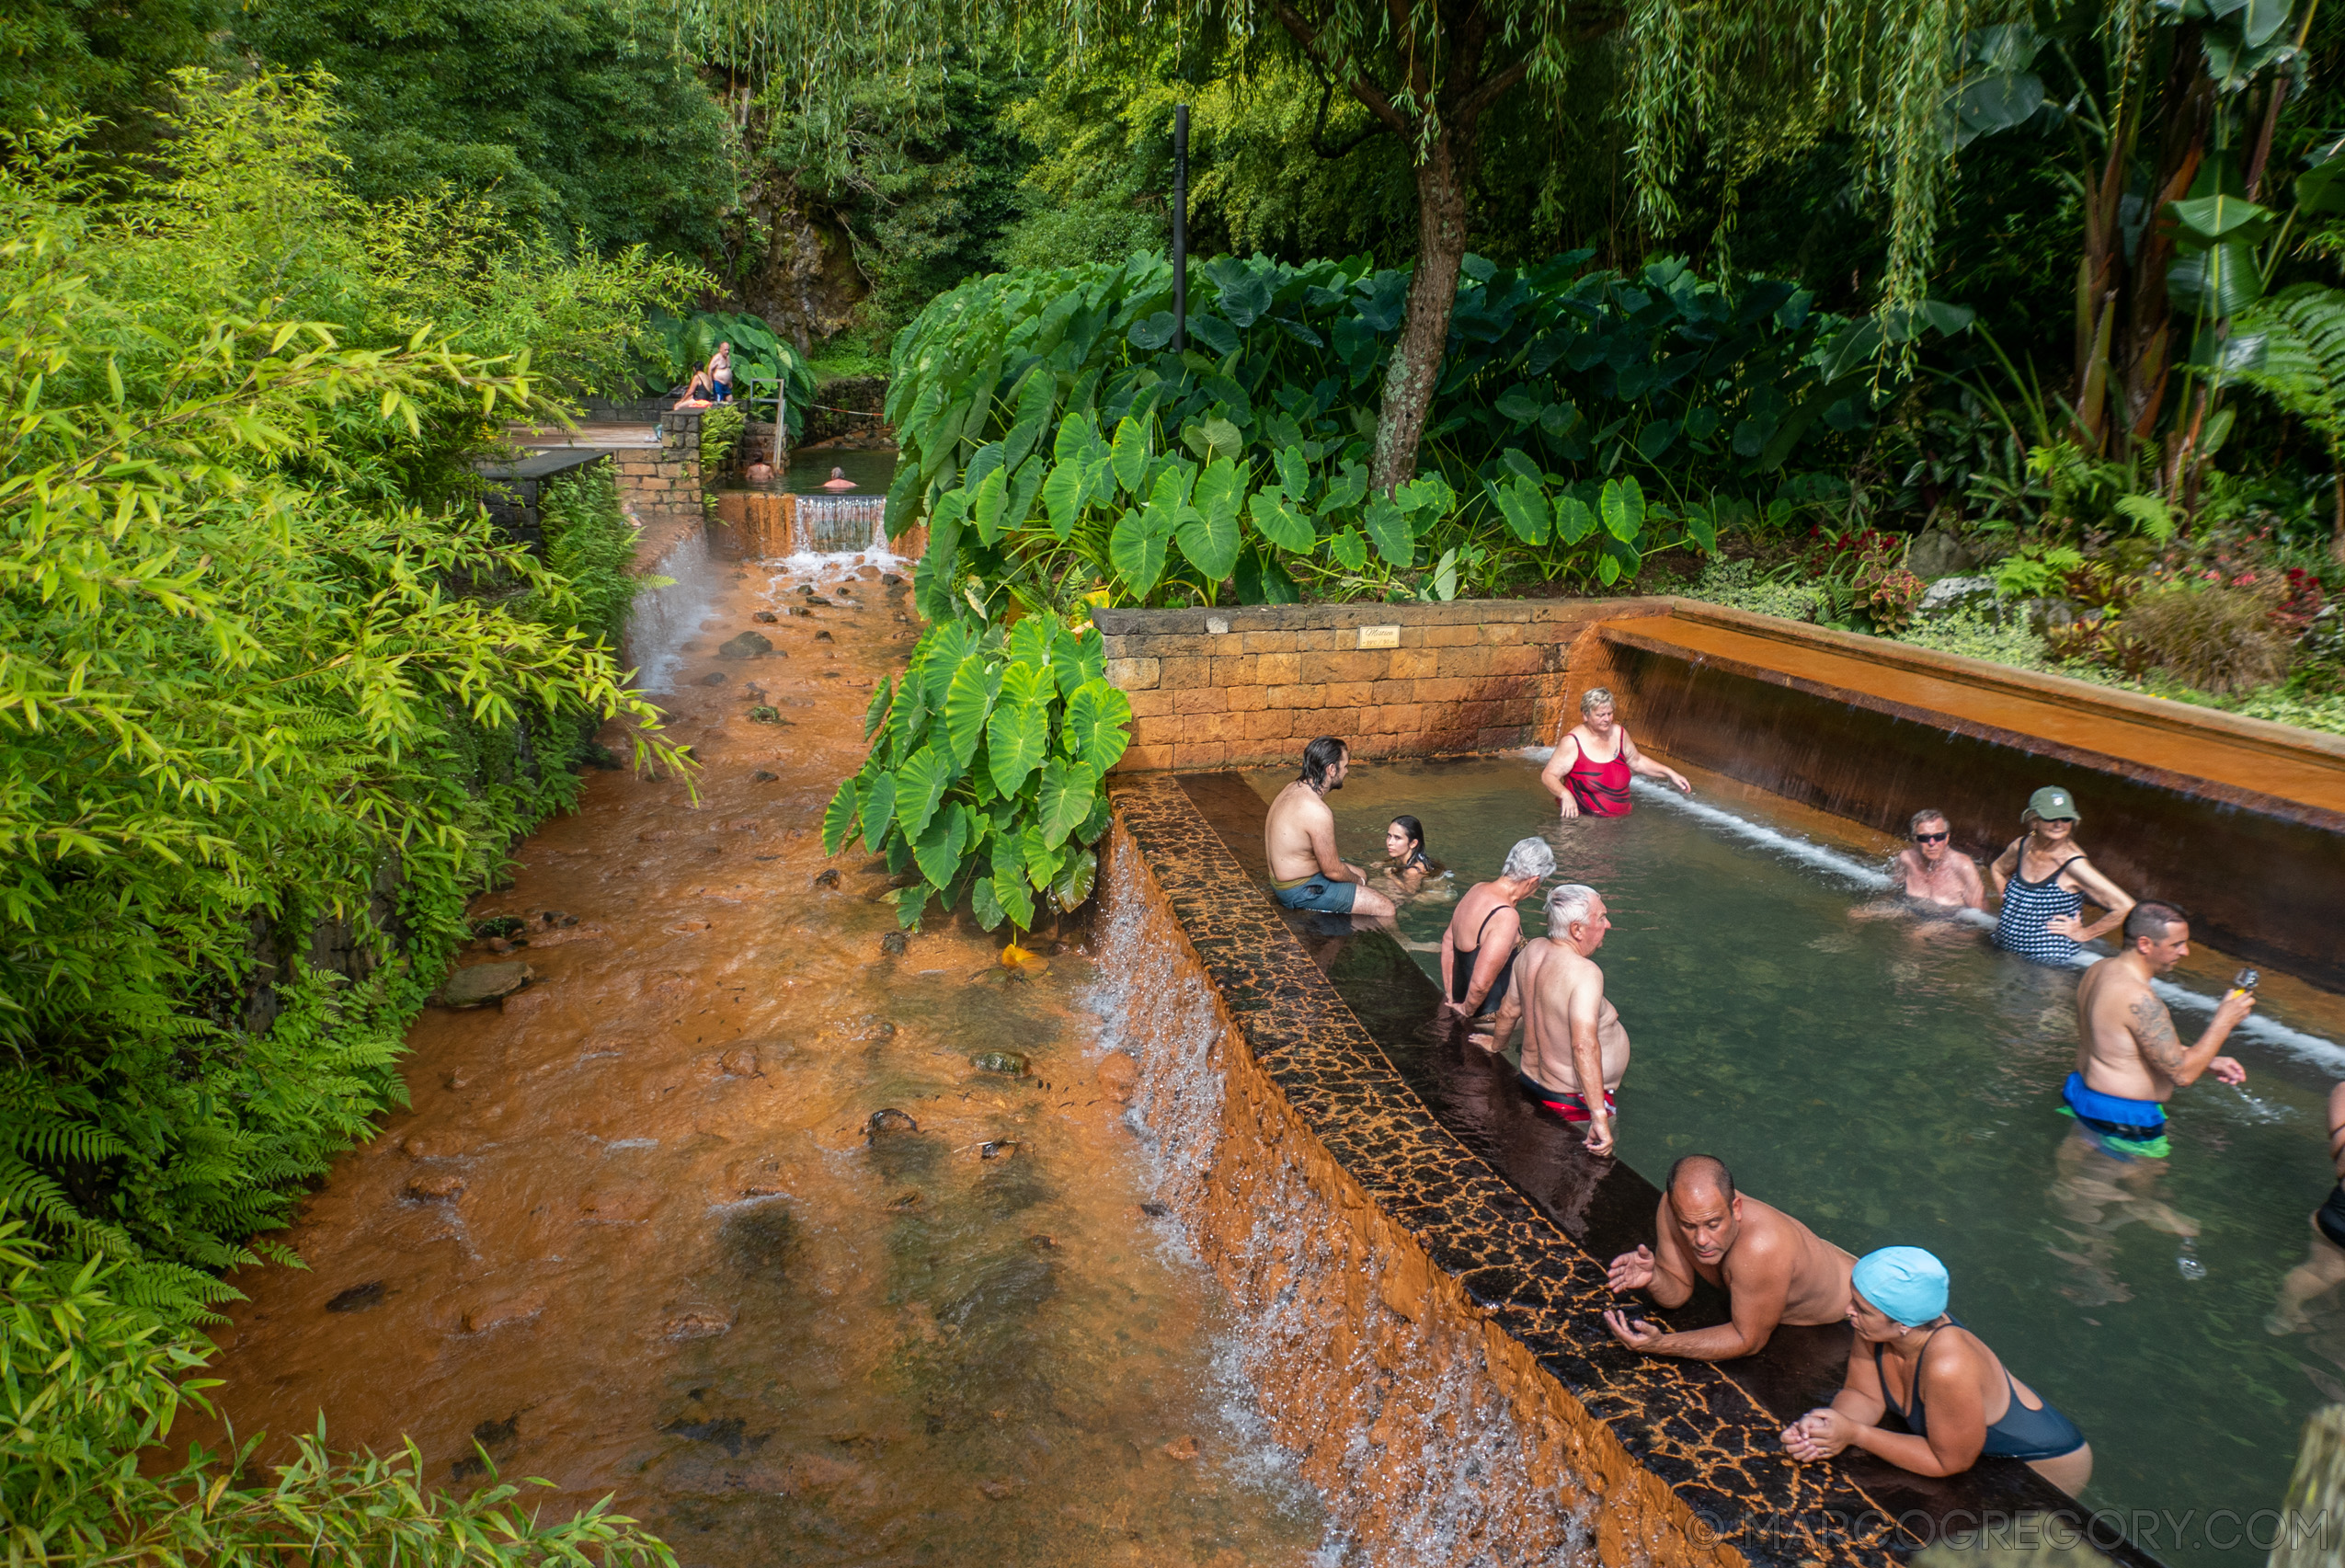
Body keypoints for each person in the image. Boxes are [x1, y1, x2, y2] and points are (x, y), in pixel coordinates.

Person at [1781, 1246, 2092, 1495]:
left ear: (1902, 1324)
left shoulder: (1948, 1366)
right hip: (1966, 1448)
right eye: (1854, 1300)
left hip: (2042, 1463)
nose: (1849, 1310)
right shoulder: (1876, 1327)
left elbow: (1948, 1461)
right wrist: (1824, 1429)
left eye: (1861, 1309)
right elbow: (1862, 1394)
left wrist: (1855, 1433)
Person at [1603, 1155, 1854, 1361]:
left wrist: (1661, 1344)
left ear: (1736, 1208)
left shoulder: (1760, 1247)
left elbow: (1749, 1340)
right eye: (1688, 1226)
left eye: (1713, 1224)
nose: (1701, 1240)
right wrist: (1654, 1277)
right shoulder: (1671, 1207)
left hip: (1858, 1303)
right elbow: (1677, 1292)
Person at [2065, 901, 2252, 1159]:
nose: (2185, 952)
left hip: (2085, 1096)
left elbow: (2122, 1043)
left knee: (2078, 1180)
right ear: (2145, 944)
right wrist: (2224, 1021)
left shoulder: (2100, 969)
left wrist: (2208, 1061)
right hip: (2124, 1118)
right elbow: (2182, 1075)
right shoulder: (2139, 998)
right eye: (2177, 945)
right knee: (2134, 1194)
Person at [1486, 884, 1627, 1154]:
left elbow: (1508, 1010)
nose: (1607, 924)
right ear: (1577, 930)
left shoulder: (1531, 951)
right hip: (1572, 1102)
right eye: (1601, 917)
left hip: (1530, 1082)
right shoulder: (1586, 972)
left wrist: (1496, 1046)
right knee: (1589, 1176)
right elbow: (1583, 1045)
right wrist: (1598, 1115)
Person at [1988, 786, 2135, 964]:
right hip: (2003, 949)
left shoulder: (2073, 865)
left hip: (2046, 965)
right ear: (2034, 820)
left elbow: (2125, 906)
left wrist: (2084, 933)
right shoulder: (2021, 847)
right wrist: (2008, 899)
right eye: (2051, 818)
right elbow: (1997, 868)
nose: (2059, 824)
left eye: (2066, 818)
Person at [1262, 737, 1395, 920]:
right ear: (1332, 769)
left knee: (1361, 873)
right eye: (1345, 765)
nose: (1347, 771)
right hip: (1299, 891)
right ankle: (1403, 943)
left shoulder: (1291, 788)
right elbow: (1331, 870)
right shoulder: (1317, 811)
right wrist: (1359, 883)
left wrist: (1359, 879)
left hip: (1284, 880)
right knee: (1386, 907)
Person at [1439, 837, 1555, 1024]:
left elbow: (1447, 943)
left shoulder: (1476, 889)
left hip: (1463, 1001)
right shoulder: (1506, 916)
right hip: (1491, 1017)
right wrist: (1467, 1011)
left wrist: (1451, 995)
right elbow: (1480, 985)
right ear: (1533, 881)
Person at [1540, 686, 1691, 819]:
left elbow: (1637, 761)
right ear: (1585, 715)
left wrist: (1670, 773)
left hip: (1620, 822)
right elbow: (1549, 775)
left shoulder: (1619, 734)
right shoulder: (1573, 742)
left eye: (1610, 714)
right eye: (1600, 715)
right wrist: (1564, 794)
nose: (1607, 719)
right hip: (1583, 821)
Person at [2269, 1082, 2345, 1334]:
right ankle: (2285, 1312)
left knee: (2321, 1273)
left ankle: (2285, 1314)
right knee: (2323, 1274)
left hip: (2339, 1214)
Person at [1892, 808, 1985, 910]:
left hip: (1949, 921)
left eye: (1939, 836)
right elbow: (1895, 892)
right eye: (1924, 838)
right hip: (1910, 911)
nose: (1932, 843)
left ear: (1947, 838)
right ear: (1915, 839)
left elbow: (1979, 914)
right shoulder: (1907, 859)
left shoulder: (1963, 866)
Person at [678, 341, 733, 405]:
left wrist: (729, 381)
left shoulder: (728, 357)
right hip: (718, 382)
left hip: (726, 384)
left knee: (730, 399)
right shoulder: (716, 357)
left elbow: (728, 369)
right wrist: (710, 382)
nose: (727, 352)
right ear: (720, 349)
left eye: (728, 350)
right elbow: (709, 369)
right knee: (719, 400)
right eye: (725, 350)